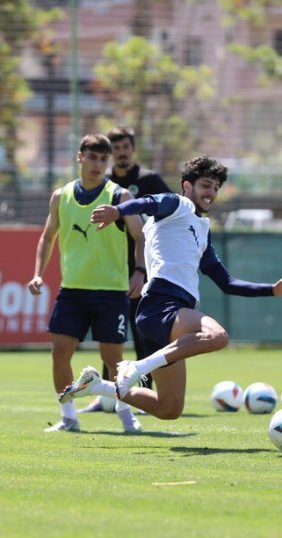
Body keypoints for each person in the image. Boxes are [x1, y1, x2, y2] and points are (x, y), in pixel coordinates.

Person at [56, 155, 282, 420]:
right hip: (161, 304)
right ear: (187, 186)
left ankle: (98, 386)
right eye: (205, 185)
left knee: (169, 409)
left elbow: (227, 283)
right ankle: (138, 367)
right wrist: (118, 211)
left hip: (166, 315)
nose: (210, 192)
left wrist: (272, 289)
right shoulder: (178, 204)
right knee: (218, 336)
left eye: (215, 187)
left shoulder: (202, 228)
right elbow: (148, 201)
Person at [27, 133, 147, 433]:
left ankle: (125, 414)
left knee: (114, 361)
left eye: (102, 159)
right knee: (60, 353)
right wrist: (38, 273)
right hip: (73, 292)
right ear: (80, 157)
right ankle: (69, 417)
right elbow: (47, 237)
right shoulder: (61, 196)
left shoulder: (120, 197)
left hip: (111, 292)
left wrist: (140, 271)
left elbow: (140, 237)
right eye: (92, 157)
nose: (97, 164)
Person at [81, 126, 172, 411]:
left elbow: (174, 212)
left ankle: (145, 397)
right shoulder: (106, 185)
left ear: (132, 150)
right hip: (113, 272)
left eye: (125, 148)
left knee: (143, 334)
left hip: (145, 270)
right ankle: (106, 396)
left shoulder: (149, 180)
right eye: (116, 148)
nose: (121, 153)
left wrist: (147, 265)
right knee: (111, 339)